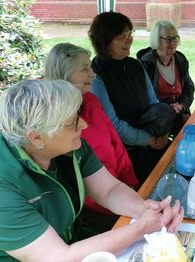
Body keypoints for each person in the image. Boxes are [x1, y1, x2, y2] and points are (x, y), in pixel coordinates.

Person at [0, 79, 183, 261]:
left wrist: (145, 209)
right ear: (36, 137)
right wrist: (140, 228)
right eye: (72, 122)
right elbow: (59, 257)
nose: (84, 125)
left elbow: (109, 190)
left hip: (71, 243)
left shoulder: (70, 147)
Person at [44, 43, 140, 227]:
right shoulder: (55, 121)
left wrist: (129, 182)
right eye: (84, 69)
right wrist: (117, 203)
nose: (93, 74)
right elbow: (74, 180)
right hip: (95, 205)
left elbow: (115, 144)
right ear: (64, 74)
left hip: (116, 191)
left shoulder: (91, 100)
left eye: (91, 68)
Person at [89, 12, 175, 183]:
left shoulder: (136, 65)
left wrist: (162, 132)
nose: (129, 40)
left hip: (152, 139)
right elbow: (113, 125)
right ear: (105, 41)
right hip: (126, 151)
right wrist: (148, 139)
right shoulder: (96, 76)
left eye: (130, 34)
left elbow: (153, 102)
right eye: (122, 37)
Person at [137, 20, 195, 138]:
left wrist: (182, 105)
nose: (172, 43)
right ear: (157, 40)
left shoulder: (180, 60)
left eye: (175, 38)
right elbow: (145, 98)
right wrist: (170, 109)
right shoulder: (146, 64)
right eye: (168, 39)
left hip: (180, 112)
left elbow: (189, 88)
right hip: (158, 119)